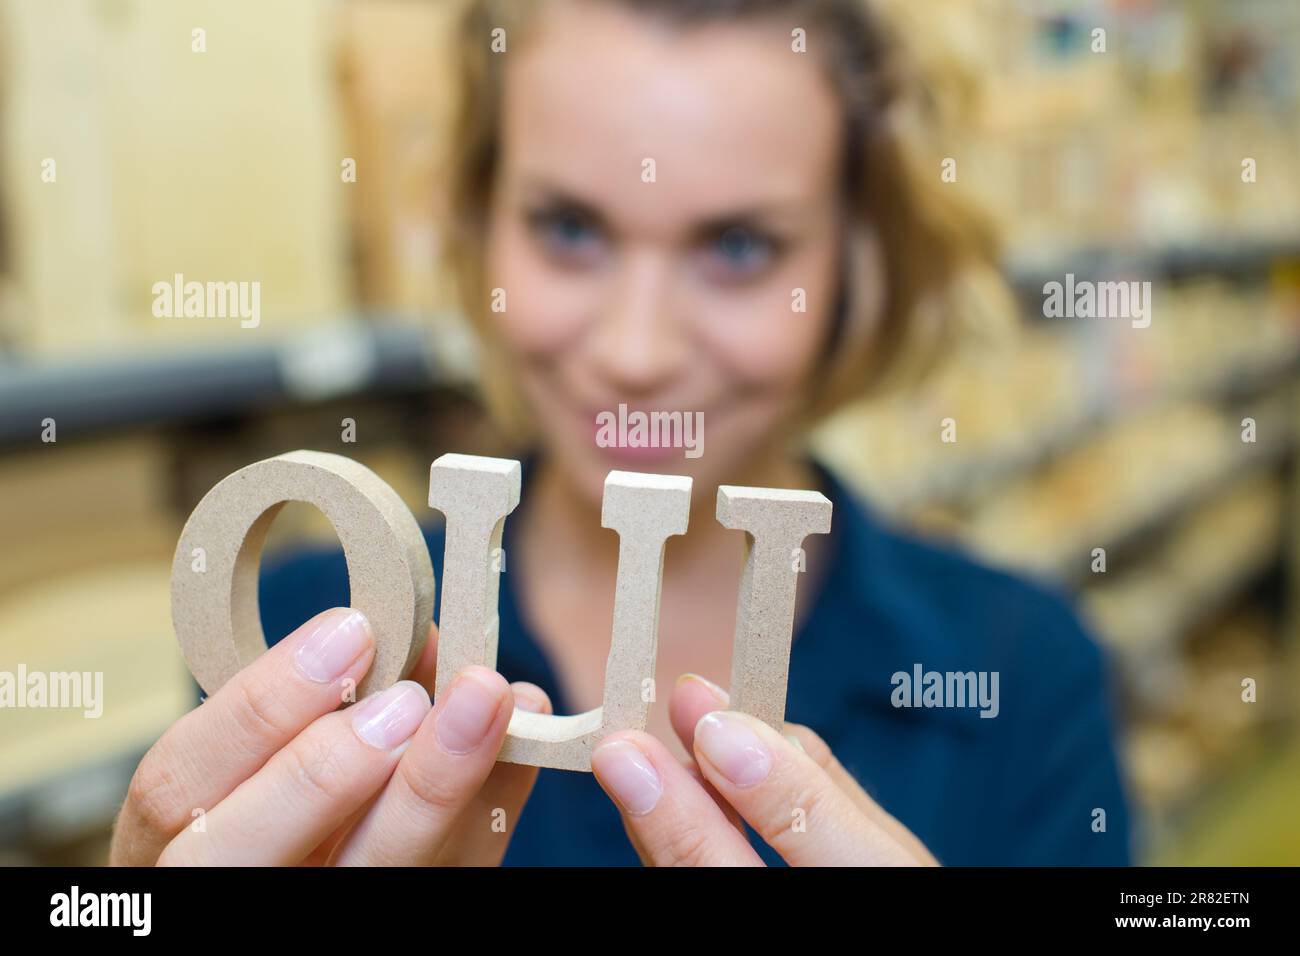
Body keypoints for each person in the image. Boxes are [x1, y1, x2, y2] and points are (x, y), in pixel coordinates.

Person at [110, 0, 1131, 866]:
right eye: (569, 229)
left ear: (857, 269)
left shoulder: (1022, 674)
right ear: (477, 225)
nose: (636, 352)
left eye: (739, 246)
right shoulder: (310, 627)